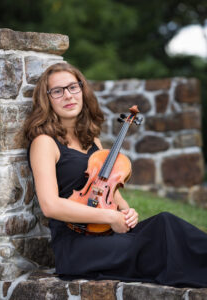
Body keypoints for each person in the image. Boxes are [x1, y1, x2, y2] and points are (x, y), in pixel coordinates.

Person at [24, 62, 207, 288]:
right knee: (158, 242)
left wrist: (126, 212)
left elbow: (111, 191)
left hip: (105, 234)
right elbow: (50, 205)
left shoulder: (91, 140)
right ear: (47, 99)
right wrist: (111, 218)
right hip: (76, 244)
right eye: (58, 91)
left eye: (73, 87)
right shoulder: (44, 142)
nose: (68, 96)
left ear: (82, 90)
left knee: (164, 222)